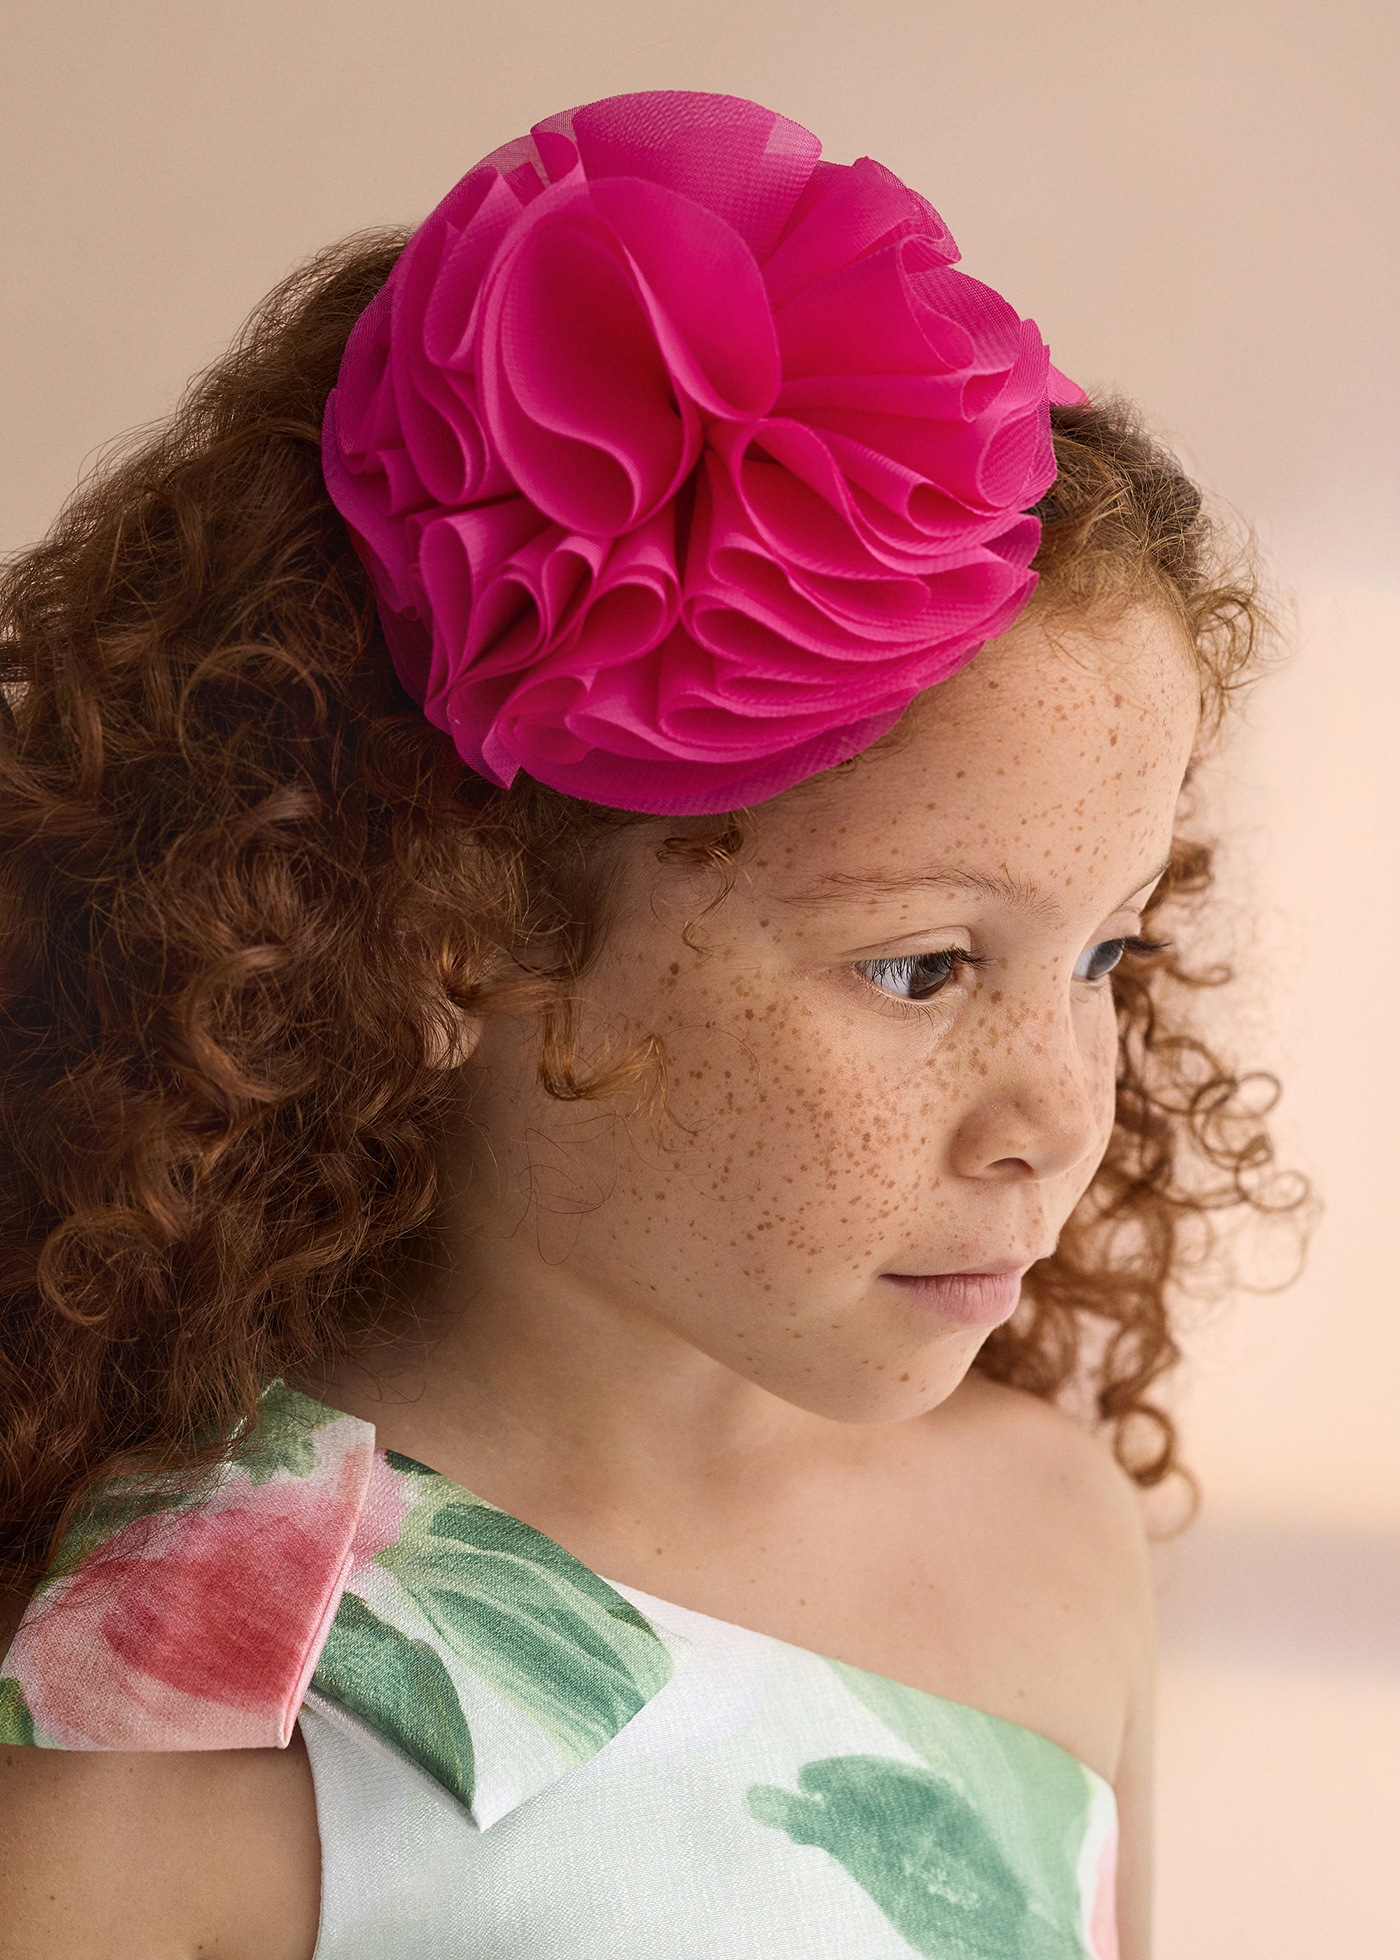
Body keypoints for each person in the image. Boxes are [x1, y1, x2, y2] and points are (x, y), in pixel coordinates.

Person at [0, 89, 1286, 1960]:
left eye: (1105, 953)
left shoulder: (1046, 1530)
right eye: (922, 968)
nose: (1057, 1112)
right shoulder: (185, 1712)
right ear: (460, 939)